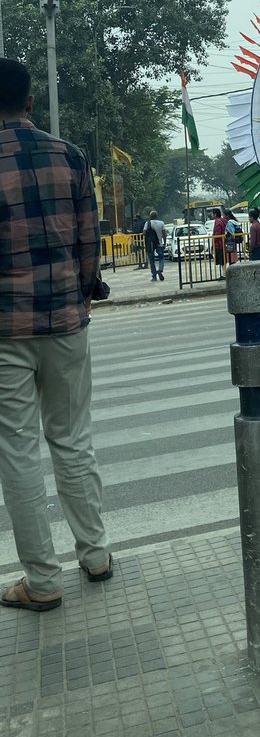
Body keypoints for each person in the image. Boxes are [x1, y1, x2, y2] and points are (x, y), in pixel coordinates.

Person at [0, 58, 112, 611]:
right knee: (71, 438)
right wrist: (83, 291)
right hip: (67, 322)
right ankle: (95, 555)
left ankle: (42, 583)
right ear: (29, 101)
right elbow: (90, 247)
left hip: (3, 331)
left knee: (17, 451)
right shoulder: (70, 156)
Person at [144, 210, 167, 282]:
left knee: (152, 260)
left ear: (150, 217)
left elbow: (144, 232)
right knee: (161, 258)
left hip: (151, 244)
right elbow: (164, 234)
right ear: (157, 216)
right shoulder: (161, 223)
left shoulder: (148, 223)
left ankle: (154, 276)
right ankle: (160, 270)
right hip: (159, 243)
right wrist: (164, 243)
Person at [212, 208, 227, 278]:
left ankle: (224, 274)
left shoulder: (217, 222)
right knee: (223, 260)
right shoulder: (223, 220)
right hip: (223, 243)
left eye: (212, 213)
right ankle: (224, 274)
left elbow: (217, 234)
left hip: (219, 244)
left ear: (215, 214)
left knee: (222, 261)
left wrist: (213, 241)